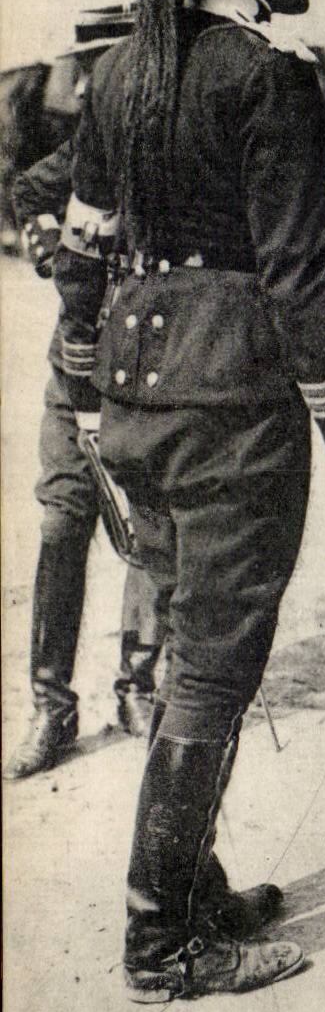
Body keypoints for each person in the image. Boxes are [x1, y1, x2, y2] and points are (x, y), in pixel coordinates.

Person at [53, 0, 325, 1002]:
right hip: (234, 409)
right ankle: (164, 938)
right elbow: (303, 280)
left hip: (141, 401)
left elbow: (85, 252)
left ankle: (189, 882)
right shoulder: (270, 80)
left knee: (194, 648)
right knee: (214, 667)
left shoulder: (121, 76)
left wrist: (84, 395)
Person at [4, 137, 170, 780]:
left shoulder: (189, 136)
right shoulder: (99, 139)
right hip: (75, 371)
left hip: (151, 371)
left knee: (152, 521)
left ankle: (138, 684)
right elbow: (26, 190)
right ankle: (51, 706)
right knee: (62, 521)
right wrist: (44, 241)